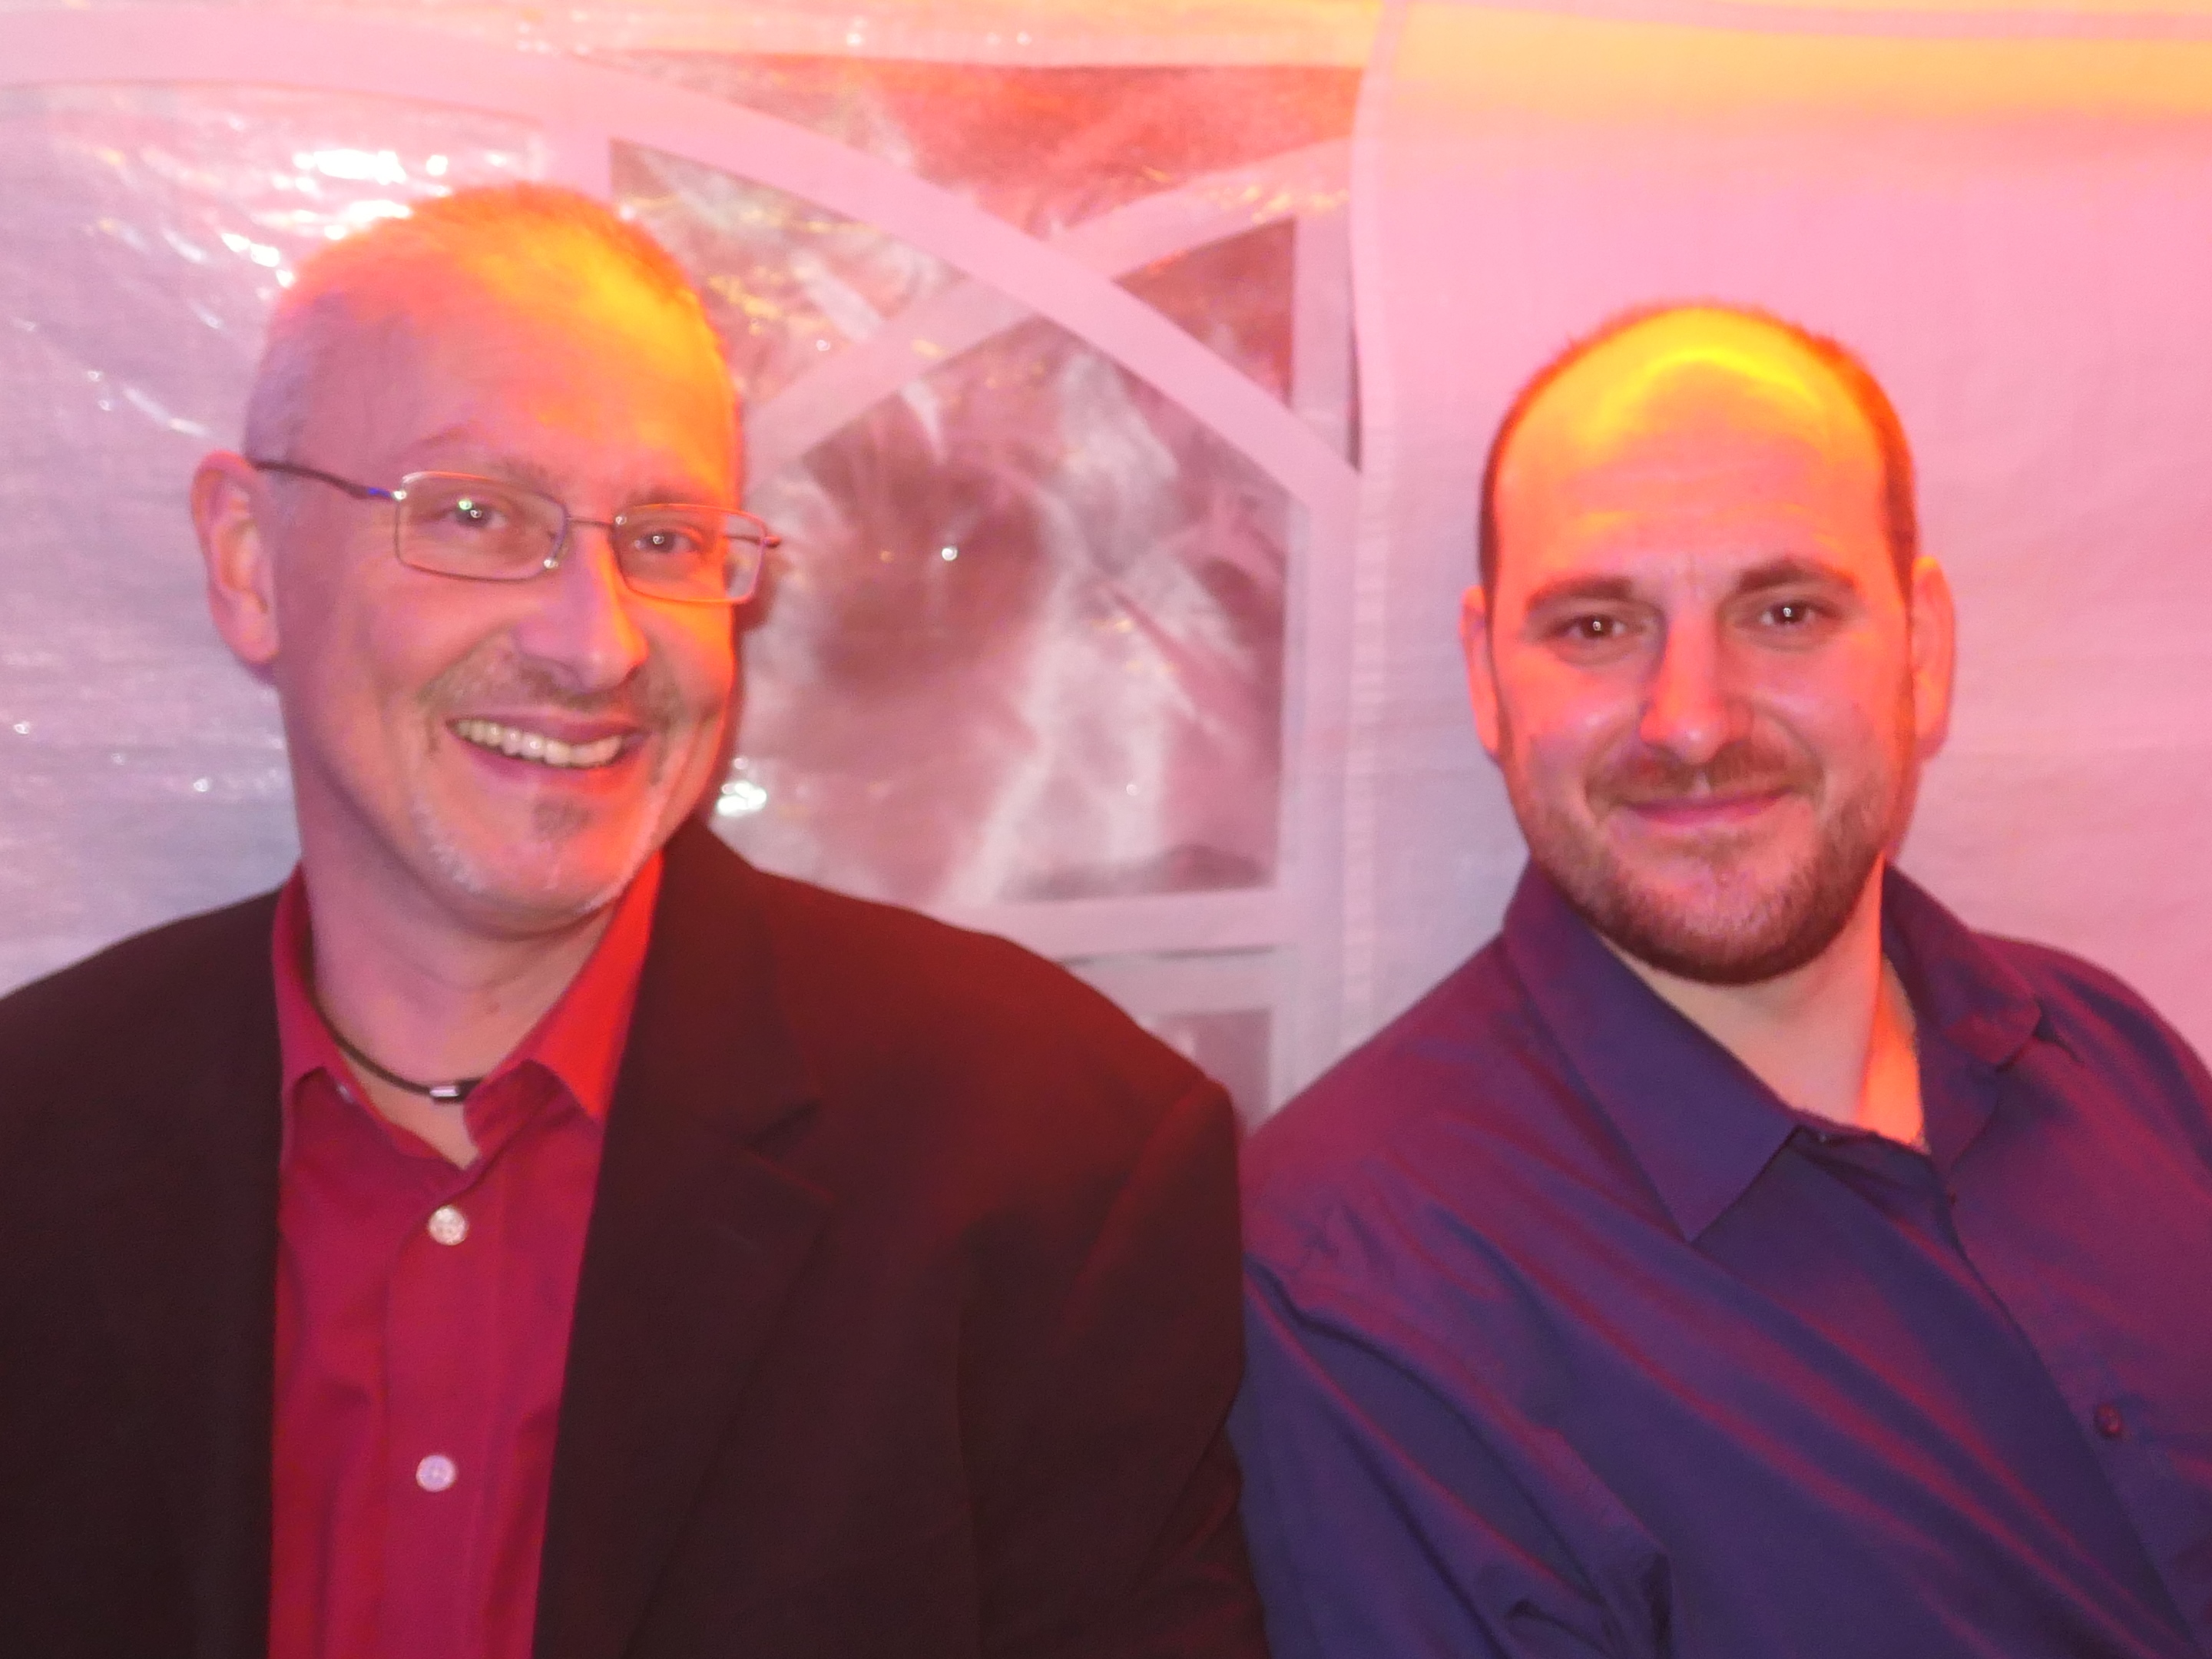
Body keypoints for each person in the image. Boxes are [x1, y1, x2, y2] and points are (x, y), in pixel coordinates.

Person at [0, 184, 1267, 1659]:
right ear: (247, 559)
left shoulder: (1052, 1158)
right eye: (477, 516)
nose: (594, 645)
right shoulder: (32, 1142)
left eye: (663, 539)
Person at [1230, 303, 2212, 1657]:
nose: (1690, 720)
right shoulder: (1360, 1285)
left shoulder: (2115, 1058)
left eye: (1787, 611)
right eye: (1596, 626)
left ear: (1922, 652)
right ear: (1487, 679)